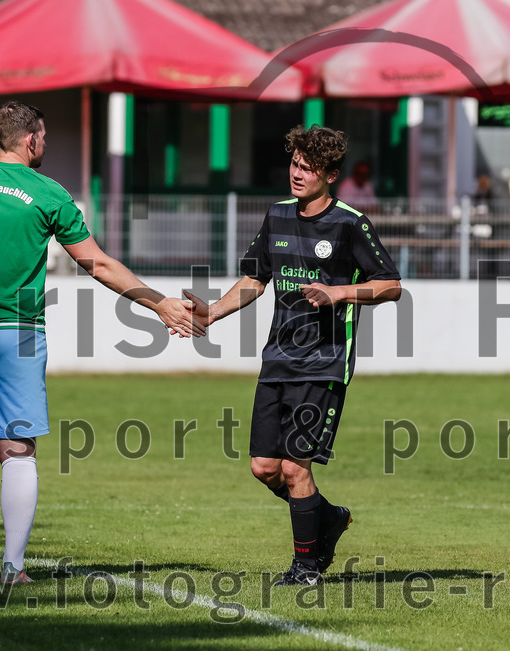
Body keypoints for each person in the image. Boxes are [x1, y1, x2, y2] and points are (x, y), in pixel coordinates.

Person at [0, 101, 200, 586]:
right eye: (43, 136)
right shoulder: (49, 193)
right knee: (16, 449)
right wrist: (159, 303)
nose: (46, 143)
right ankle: (12, 566)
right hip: (17, 335)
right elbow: (99, 264)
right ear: (30, 141)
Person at [184, 126, 401, 586]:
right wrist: (212, 313)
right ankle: (328, 518)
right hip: (277, 361)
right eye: (295, 163)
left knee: (292, 466)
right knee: (263, 468)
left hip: (324, 363)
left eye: (308, 168)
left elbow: (391, 285)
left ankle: (306, 569)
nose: (297, 174)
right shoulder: (277, 215)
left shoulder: (350, 223)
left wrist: (339, 292)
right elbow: (254, 280)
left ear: (330, 175)